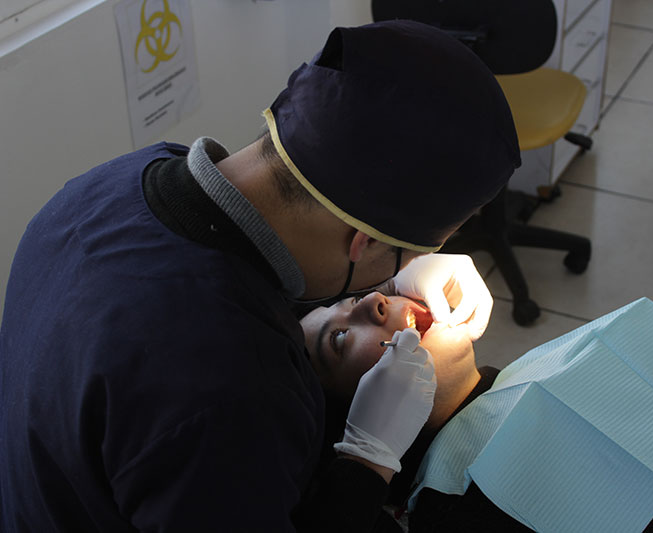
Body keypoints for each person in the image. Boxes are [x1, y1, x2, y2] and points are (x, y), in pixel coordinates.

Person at [0, 20, 522, 532]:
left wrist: (385, 279)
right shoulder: (233, 392)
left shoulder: (108, 187)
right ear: (363, 242)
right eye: (409, 255)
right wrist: (367, 462)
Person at [299, 293, 653, 533]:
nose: (373, 301)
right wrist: (368, 457)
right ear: (355, 414)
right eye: (339, 338)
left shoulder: (532, 374)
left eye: (350, 298)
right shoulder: (449, 508)